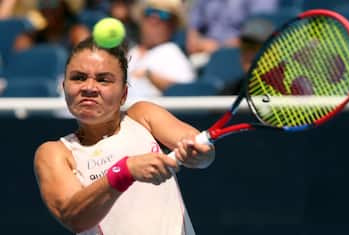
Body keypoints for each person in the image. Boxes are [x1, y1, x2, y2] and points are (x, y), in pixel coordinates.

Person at [33, 37, 215, 234]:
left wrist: (199, 154)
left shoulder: (143, 115)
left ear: (124, 94)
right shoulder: (54, 153)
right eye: (78, 77)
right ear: (64, 86)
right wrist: (125, 171)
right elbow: (75, 217)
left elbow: (200, 151)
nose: (89, 87)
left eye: (103, 80)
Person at [126, 0, 196, 99]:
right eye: (149, 12)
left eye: (163, 15)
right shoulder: (132, 52)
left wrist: (149, 75)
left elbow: (187, 93)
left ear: (172, 26)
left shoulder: (172, 52)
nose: (154, 20)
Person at [186, 0, 279, 55]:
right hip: (200, 53)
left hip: (236, 54)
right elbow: (193, 29)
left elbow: (257, 34)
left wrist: (219, 48)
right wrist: (197, 44)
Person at [220, 17, 275, 95]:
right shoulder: (228, 92)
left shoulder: (289, 92)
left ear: (272, 52)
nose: (249, 54)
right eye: (246, 47)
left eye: (256, 48)